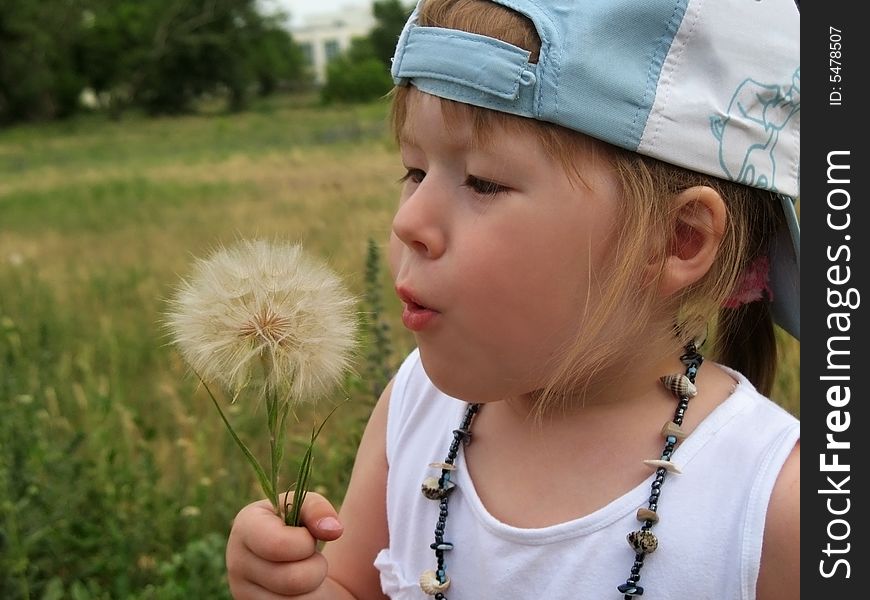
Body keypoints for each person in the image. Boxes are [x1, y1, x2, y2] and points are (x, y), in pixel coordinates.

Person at [226, 0, 800, 598]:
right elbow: (349, 587)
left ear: (679, 239)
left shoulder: (775, 508)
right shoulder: (415, 404)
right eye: (415, 171)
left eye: (483, 182)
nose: (409, 221)